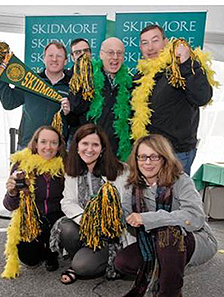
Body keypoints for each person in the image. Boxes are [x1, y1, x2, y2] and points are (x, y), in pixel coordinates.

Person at [114, 134, 218, 297]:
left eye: (154, 157)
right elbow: (129, 222)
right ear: (136, 159)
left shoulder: (181, 180)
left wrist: (147, 218)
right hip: (153, 241)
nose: (147, 162)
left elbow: (195, 218)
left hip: (194, 238)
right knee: (123, 262)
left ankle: (170, 292)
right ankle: (164, 272)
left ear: (164, 158)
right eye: (142, 157)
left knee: (168, 234)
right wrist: (111, 215)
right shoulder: (131, 186)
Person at [49, 123, 135, 284]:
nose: (89, 149)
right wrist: (88, 221)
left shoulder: (121, 171)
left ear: (102, 148)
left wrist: (103, 225)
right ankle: (83, 255)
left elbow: (125, 207)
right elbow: (68, 202)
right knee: (65, 228)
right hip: (84, 227)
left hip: (110, 235)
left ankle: (92, 260)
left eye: (95, 144)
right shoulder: (71, 170)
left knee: (82, 266)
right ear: (77, 146)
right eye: (85, 144)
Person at [132, 24, 214, 175]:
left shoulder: (181, 67)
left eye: (155, 40)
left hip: (175, 154)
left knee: (176, 198)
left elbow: (202, 97)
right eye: (145, 43)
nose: (150, 47)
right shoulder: (139, 76)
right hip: (148, 155)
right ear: (140, 47)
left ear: (165, 42)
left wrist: (187, 63)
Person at [2, 125, 67, 278]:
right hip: (31, 219)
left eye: (53, 142)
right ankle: (43, 250)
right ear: (36, 143)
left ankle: (52, 252)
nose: (48, 147)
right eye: (43, 142)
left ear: (59, 146)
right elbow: (9, 205)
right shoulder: (21, 165)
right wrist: (12, 193)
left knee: (63, 232)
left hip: (57, 217)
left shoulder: (66, 165)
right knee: (30, 259)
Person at [67, 37, 133, 161]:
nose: (115, 57)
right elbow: (75, 108)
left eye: (119, 53)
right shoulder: (86, 77)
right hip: (88, 151)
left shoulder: (129, 83)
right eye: (110, 53)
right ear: (101, 54)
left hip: (116, 153)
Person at [0, 41, 71, 149]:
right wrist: (1, 78)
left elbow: (78, 118)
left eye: (59, 56)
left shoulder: (72, 86)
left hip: (57, 148)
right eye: (50, 55)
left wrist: (70, 112)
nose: (54, 59)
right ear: (43, 59)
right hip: (27, 145)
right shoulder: (30, 81)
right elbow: (9, 103)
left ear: (65, 61)